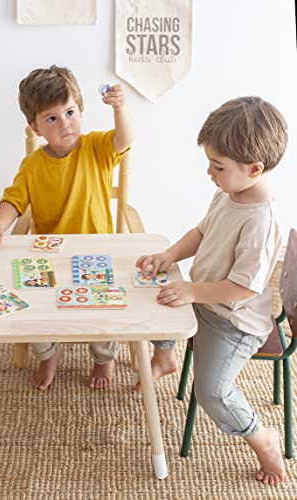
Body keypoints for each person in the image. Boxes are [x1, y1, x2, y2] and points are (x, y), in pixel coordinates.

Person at [136, 96, 287, 485]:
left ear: (254, 169)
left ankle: (262, 438)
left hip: (234, 323)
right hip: (205, 300)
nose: (209, 172)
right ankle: (166, 355)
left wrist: (190, 291)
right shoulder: (228, 191)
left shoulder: (259, 222)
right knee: (152, 300)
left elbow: (241, 288)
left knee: (212, 391)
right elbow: (202, 233)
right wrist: (170, 255)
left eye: (217, 166)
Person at [0, 65, 133, 391]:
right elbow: (14, 200)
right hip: (49, 255)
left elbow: (124, 140)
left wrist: (120, 109)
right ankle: (49, 353)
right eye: (51, 119)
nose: (64, 124)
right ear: (35, 127)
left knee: (105, 307)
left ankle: (103, 358)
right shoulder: (33, 164)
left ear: (81, 110)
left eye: (69, 112)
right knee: (33, 305)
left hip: (96, 251)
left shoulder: (96, 147)